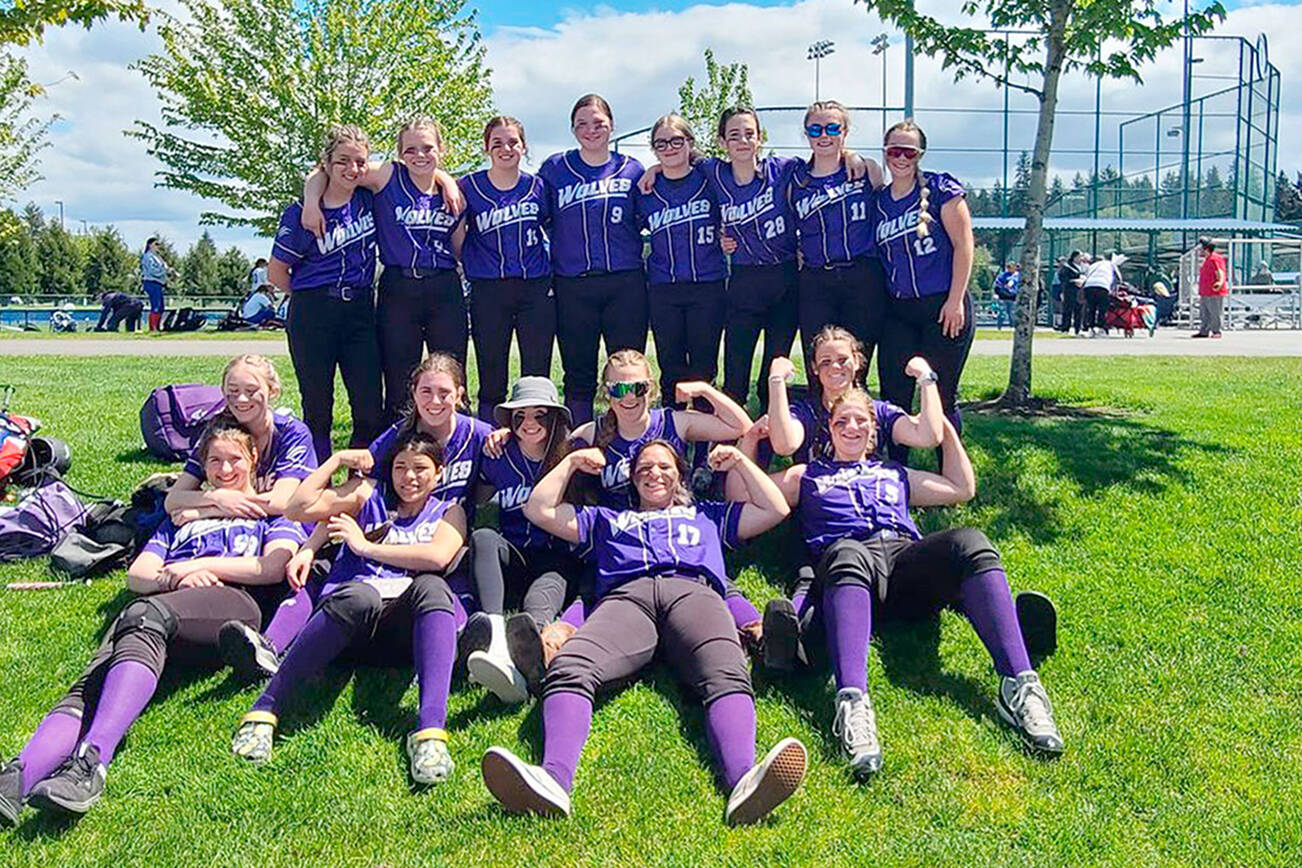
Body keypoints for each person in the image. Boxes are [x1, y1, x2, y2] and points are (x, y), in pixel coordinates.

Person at [480, 439, 807, 825]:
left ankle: (744, 782)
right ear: (633, 480)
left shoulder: (707, 516)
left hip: (693, 592)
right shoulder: (607, 520)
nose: (654, 473)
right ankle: (553, 780)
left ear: (680, 476)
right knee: (571, 666)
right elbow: (540, 508)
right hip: (626, 598)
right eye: (645, 469)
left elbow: (776, 507)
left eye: (665, 467)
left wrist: (739, 461)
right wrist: (570, 462)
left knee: (726, 668)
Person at [0, 419, 303, 821]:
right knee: (90, 683)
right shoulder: (182, 516)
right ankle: (16, 779)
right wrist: (172, 575)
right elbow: (138, 575)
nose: (224, 470)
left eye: (234, 460)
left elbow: (272, 566)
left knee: (143, 612)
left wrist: (198, 566)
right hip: (162, 610)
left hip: (230, 604)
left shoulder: (270, 513)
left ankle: (92, 762)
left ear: (253, 459)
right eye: (214, 461)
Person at [763, 389, 1064, 774]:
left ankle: (1020, 685)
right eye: (841, 421)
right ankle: (852, 705)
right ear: (830, 430)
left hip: (904, 563)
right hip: (850, 572)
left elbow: (961, 488)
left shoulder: (894, 473)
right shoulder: (808, 475)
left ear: (873, 431)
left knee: (971, 541)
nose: (851, 427)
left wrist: (946, 432)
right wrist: (747, 448)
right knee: (845, 552)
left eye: (861, 421)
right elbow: (745, 493)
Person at [219, 352, 489, 681]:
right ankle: (269, 647)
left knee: (456, 570)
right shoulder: (397, 438)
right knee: (319, 567)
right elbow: (345, 497)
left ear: (460, 394)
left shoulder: (479, 435)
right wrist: (310, 544)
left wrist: (505, 438)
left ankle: (461, 647)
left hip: (443, 533)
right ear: (413, 393)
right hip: (391, 529)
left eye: (444, 393)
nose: (434, 401)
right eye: (425, 392)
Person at [231, 431, 467, 786]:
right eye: (401, 467)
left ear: (439, 473)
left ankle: (430, 734)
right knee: (360, 595)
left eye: (420, 468)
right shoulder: (366, 496)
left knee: (433, 587)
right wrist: (337, 460)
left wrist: (364, 547)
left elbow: (437, 557)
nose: (410, 477)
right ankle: (264, 712)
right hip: (349, 626)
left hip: (402, 633)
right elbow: (296, 509)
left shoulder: (450, 511)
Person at [301, 118, 466, 422]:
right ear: (400, 153)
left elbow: (458, 249)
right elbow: (324, 170)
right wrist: (311, 202)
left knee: (452, 373)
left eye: (428, 148)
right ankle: (401, 451)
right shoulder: (388, 175)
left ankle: (453, 445)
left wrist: (447, 179)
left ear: (441, 149)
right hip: (399, 288)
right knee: (399, 377)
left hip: (444, 287)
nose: (420, 155)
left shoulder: (454, 193)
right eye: (411, 149)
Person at [271, 124, 385, 463]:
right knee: (318, 407)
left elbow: (404, 172)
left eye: (360, 162)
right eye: (343, 162)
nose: (352, 169)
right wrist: (311, 295)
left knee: (368, 405)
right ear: (326, 164)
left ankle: (359, 482)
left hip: (360, 311)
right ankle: (315, 479)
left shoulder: (369, 200)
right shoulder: (302, 213)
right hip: (314, 312)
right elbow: (276, 273)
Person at [465, 377, 581, 705]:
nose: (529, 423)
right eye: (520, 416)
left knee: (535, 611)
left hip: (556, 558)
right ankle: (496, 639)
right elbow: (478, 496)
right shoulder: (498, 455)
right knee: (484, 537)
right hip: (515, 553)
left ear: (555, 418)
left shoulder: (571, 454)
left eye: (539, 415)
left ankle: (529, 663)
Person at [539, 94, 648, 426]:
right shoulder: (555, 168)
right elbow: (540, 217)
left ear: (612, 126)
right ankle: (580, 444)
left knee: (628, 370)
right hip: (574, 285)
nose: (591, 130)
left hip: (624, 282)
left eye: (598, 123)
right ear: (572, 130)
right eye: (582, 124)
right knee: (579, 372)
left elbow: (647, 217)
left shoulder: (632, 168)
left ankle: (630, 439)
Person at [872, 120, 975, 452]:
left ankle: (952, 473)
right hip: (898, 310)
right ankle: (896, 473)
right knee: (894, 396)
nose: (900, 158)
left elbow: (964, 245)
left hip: (942, 306)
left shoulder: (941, 189)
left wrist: (956, 300)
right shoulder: (878, 201)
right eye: (894, 151)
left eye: (909, 152)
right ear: (885, 153)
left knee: (941, 395)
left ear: (920, 155)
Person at [455, 116, 555, 422]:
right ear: (486, 148)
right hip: (489, 289)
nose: (506, 148)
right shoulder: (469, 186)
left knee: (536, 375)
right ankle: (490, 440)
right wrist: (473, 262)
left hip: (534, 287)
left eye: (513, 141)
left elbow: (552, 229)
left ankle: (539, 439)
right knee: (491, 372)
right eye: (497, 143)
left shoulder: (538, 187)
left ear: (523, 146)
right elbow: (458, 237)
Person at [787, 100, 886, 371]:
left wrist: (853, 155)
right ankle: (821, 413)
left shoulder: (866, 171)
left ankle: (856, 414)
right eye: (815, 129)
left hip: (862, 275)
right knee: (818, 361)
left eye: (832, 128)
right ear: (806, 134)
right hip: (816, 279)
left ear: (845, 131)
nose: (824, 135)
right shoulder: (795, 179)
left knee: (856, 361)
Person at [634, 115, 727, 404]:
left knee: (703, 371)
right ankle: (672, 442)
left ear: (690, 142)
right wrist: (654, 169)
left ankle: (702, 446)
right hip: (664, 287)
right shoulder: (646, 189)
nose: (670, 148)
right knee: (671, 368)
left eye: (677, 140)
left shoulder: (710, 178)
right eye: (661, 143)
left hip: (707, 284)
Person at [164, 354, 316, 526]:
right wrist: (217, 497)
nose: (241, 399)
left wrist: (210, 510)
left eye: (251, 391)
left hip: (283, 522)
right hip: (235, 523)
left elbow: (281, 502)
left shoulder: (292, 432)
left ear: (272, 391)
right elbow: (173, 500)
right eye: (233, 391)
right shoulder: (219, 430)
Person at [1193, 237, 1227, 339]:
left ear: (1206, 248)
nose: (1199, 250)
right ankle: (1204, 330)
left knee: (1215, 312)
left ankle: (1216, 331)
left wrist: (1220, 282)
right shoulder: (1207, 259)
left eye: (1201, 248)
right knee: (1204, 312)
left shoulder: (1215, 258)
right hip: (1205, 291)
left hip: (1214, 291)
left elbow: (1220, 272)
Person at [1081, 252, 1120, 338]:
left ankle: (1090, 329)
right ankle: (1101, 329)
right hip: (1103, 286)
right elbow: (1118, 278)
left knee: (1091, 308)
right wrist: (1114, 288)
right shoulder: (1111, 264)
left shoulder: (1092, 266)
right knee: (1102, 309)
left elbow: (1086, 276)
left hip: (1089, 286)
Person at [139, 237, 173, 332]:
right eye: (156, 244)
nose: (158, 246)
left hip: (158, 283)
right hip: (151, 283)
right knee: (156, 306)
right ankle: (152, 328)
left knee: (161, 306)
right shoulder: (148, 256)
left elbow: (163, 267)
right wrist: (164, 271)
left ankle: (157, 327)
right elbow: (153, 271)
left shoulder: (157, 256)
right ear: (150, 245)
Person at [1056, 251, 1087, 334]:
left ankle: (1078, 328)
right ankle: (1065, 328)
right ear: (1074, 257)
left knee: (1079, 310)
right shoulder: (1067, 267)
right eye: (1079, 257)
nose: (1081, 259)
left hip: (1080, 292)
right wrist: (1074, 281)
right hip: (1069, 291)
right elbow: (1063, 279)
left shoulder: (1083, 267)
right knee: (1068, 310)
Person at [993, 262, 1020, 329]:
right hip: (1003, 297)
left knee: (1012, 313)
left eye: (1011, 267)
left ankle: (1013, 327)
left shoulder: (1018, 275)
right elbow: (997, 284)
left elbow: (1013, 282)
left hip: (1013, 297)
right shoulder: (1003, 275)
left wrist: (1011, 283)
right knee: (1002, 313)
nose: (1009, 269)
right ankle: (999, 327)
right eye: (1008, 267)